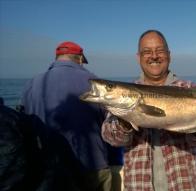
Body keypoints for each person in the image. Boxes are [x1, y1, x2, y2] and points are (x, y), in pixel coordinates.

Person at [101, 30, 196, 191]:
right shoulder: (124, 94)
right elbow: (111, 137)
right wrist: (126, 118)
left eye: (160, 51)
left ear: (169, 55)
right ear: (138, 57)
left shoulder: (190, 89)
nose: (154, 56)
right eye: (147, 51)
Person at [21, 41, 122, 191]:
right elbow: (111, 125)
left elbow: (24, 126)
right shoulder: (95, 83)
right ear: (80, 58)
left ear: (57, 57)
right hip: (93, 167)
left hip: (47, 170)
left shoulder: (31, 84)